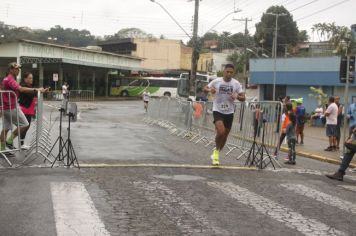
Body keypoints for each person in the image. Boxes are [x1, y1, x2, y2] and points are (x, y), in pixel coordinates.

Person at [0, 62, 48, 153]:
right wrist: (36, 89)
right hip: (11, 107)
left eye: (18, 69)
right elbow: (21, 89)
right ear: (10, 70)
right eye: (15, 69)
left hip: (6, 107)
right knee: (25, 124)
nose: (18, 70)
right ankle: (9, 142)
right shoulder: (10, 79)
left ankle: (2, 149)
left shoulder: (7, 79)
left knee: (5, 129)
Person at [203, 64, 245, 166]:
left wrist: (237, 97)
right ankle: (216, 151)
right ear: (224, 71)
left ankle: (216, 153)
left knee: (225, 135)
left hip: (229, 111)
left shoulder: (236, 83)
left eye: (231, 72)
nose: (229, 74)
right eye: (227, 71)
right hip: (217, 110)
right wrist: (209, 90)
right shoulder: (217, 81)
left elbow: (243, 97)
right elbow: (205, 88)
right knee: (221, 132)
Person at [18, 72, 37, 150]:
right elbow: (32, 94)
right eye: (29, 78)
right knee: (25, 126)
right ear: (25, 79)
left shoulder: (29, 86)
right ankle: (21, 144)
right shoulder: (24, 86)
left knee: (26, 126)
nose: (31, 79)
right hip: (25, 109)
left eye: (32, 78)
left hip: (29, 109)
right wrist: (37, 91)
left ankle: (22, 143)